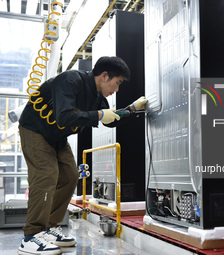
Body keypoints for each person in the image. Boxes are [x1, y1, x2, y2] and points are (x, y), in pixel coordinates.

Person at [17, 56, 147, 255]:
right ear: (104, 76)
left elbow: (109, 120)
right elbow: (64, 116)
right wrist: (100, 115)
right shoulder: (70, 80)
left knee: (70, 176)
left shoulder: (96, 95)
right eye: (117, 83)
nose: (116, 89)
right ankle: (31, 236)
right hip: (35, 130)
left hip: (57, 137)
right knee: (47, 175)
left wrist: (131, 109)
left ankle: (49, 228)